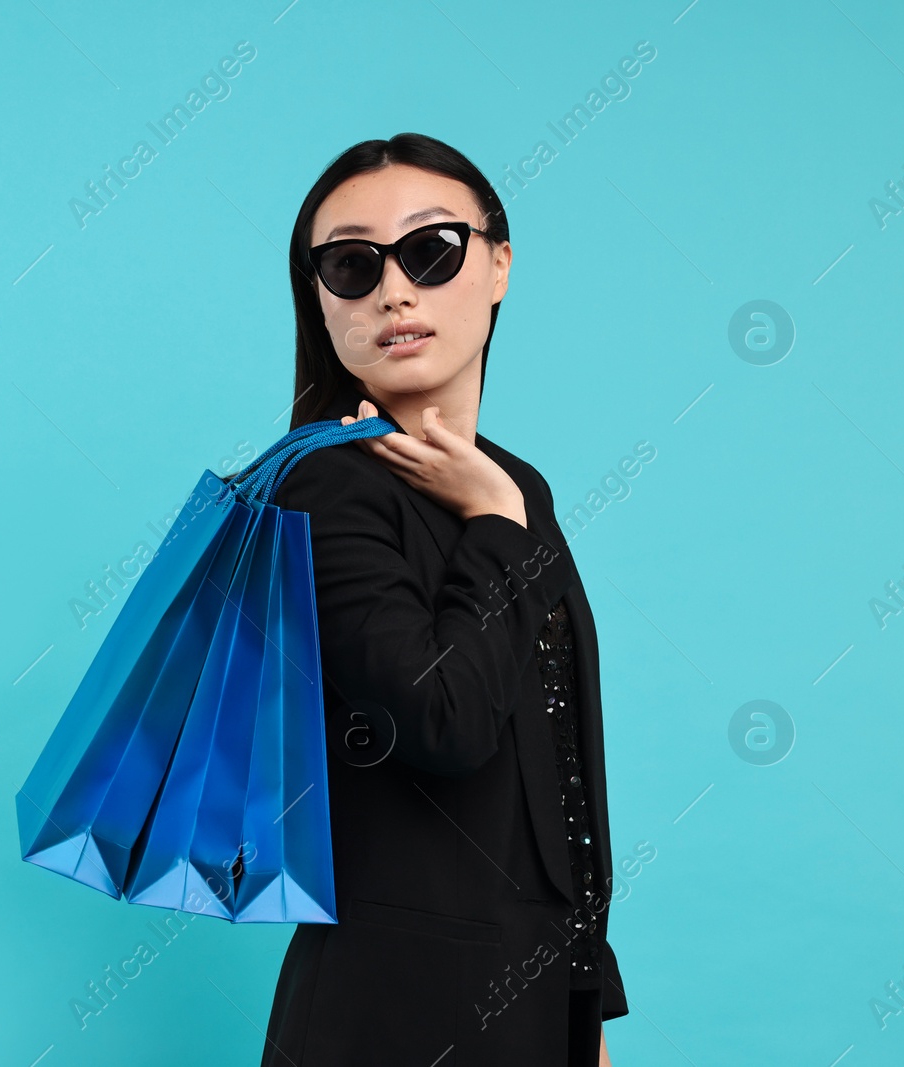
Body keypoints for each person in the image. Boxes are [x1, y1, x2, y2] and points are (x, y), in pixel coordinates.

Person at [260, 133, 627, 1066]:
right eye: (351, 263)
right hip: (392, 1014)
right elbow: (441, 719)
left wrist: (588, 1007)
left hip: (536, 1010)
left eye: (431, 250)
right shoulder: (326, 489)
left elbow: (560, 771)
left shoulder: (513, 482)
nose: (394, 290)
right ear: (321, 297)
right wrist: (496, 528)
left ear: (498, 265)